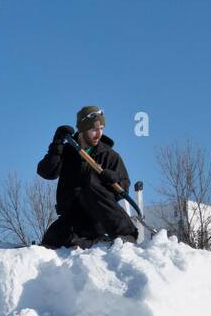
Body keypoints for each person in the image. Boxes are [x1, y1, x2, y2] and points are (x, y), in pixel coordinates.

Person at [37, 105, 138, 249]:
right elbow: (47, 172)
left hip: (100, 217)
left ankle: (126, 235)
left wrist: (114, 178)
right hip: (73, 216)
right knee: (49, 243)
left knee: (90, 184)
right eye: (94, 129)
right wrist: (56, 145)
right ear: (83, 129)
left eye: (101, 128)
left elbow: (124, 188)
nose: (99, 134)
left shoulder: (109, 155)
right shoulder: (67, 152)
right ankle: (92, 242)